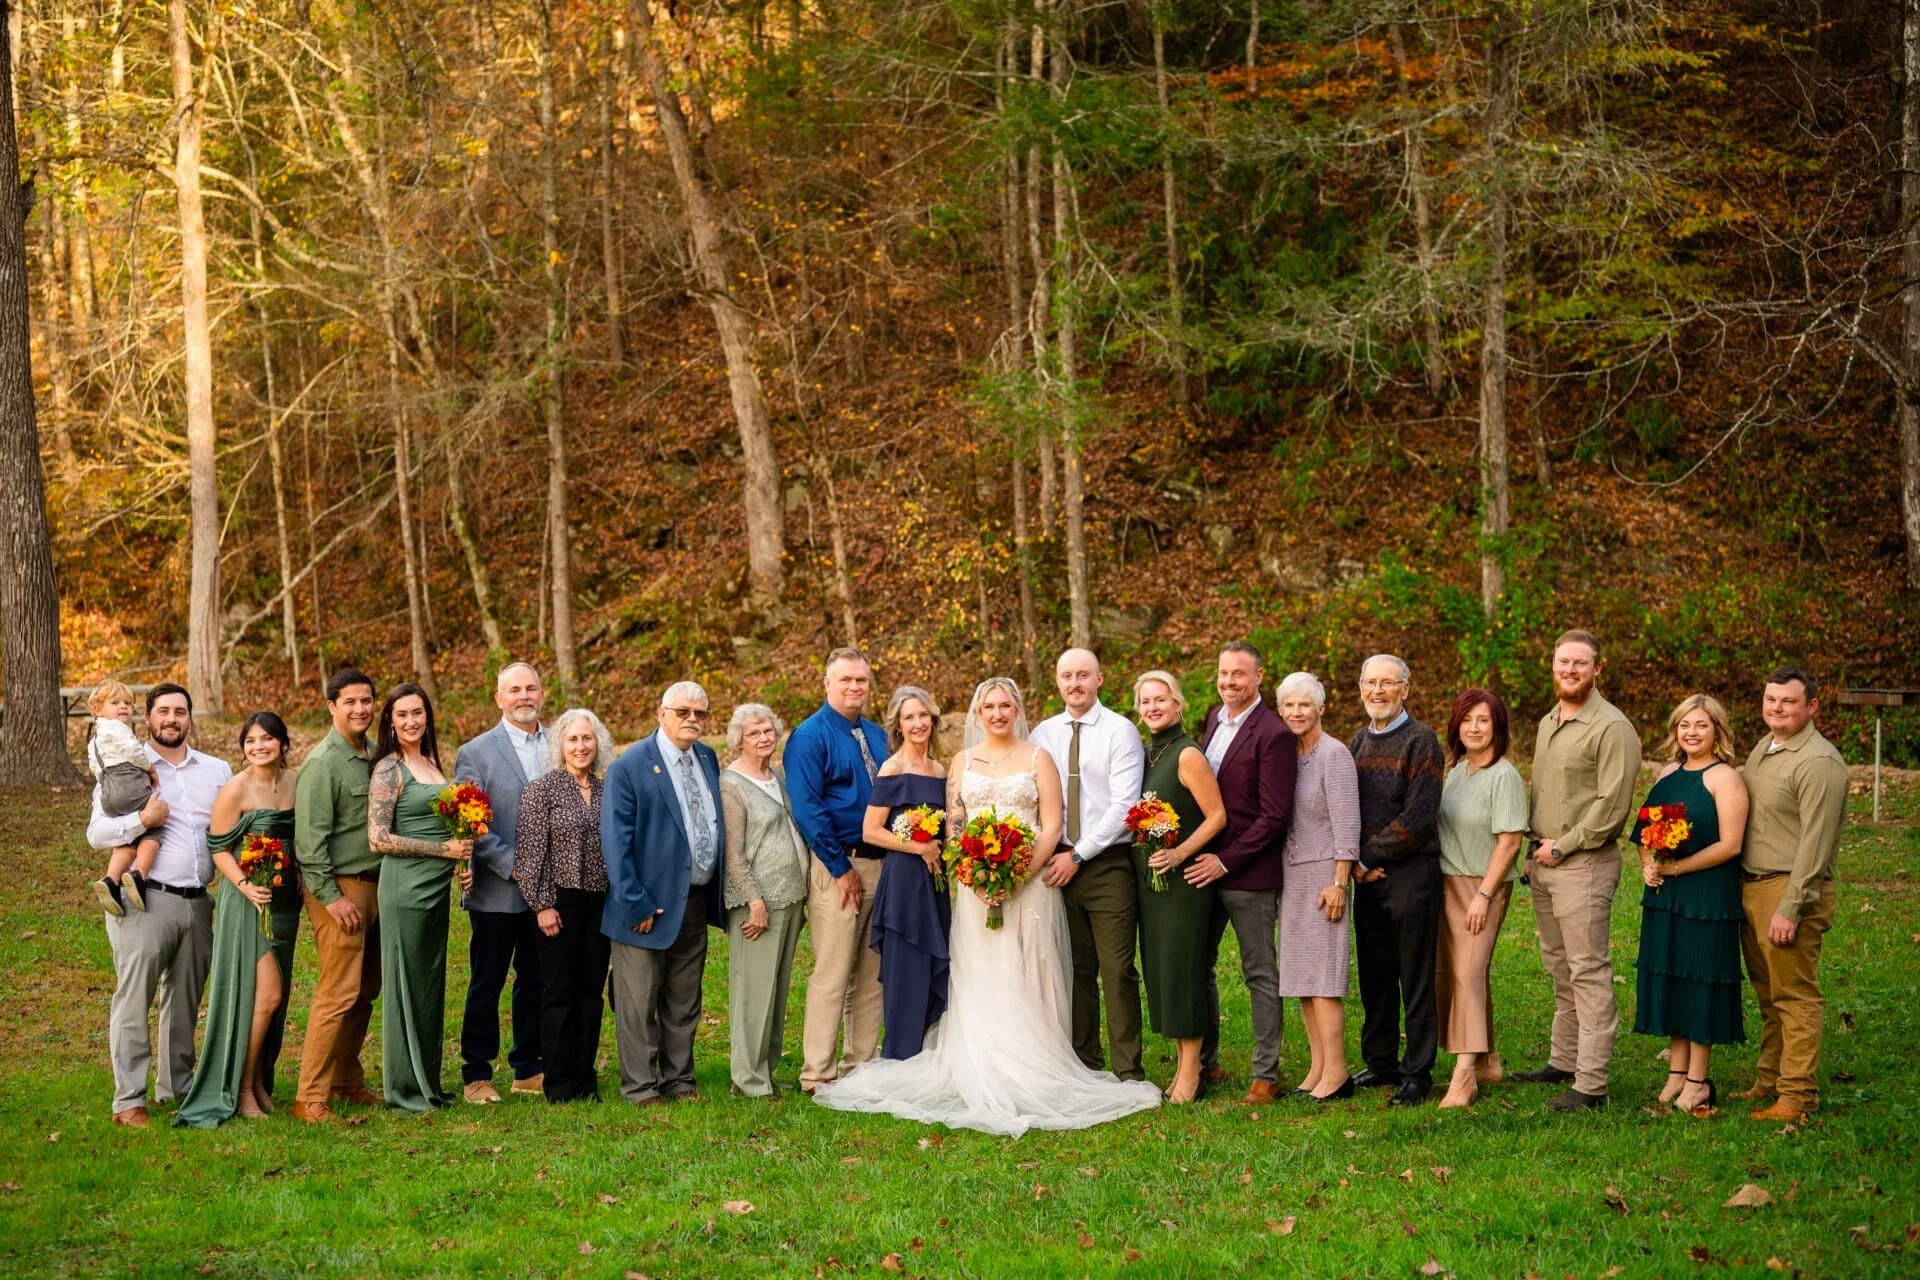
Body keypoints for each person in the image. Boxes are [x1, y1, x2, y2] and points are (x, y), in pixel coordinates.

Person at [813, 678, 1162, 1136]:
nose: (997, 714)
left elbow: (1052, 826)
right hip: (976, 891)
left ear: (1018, 709)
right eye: (989, 706)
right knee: (982, 974)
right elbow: (955, 826)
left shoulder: (1038, 759)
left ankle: (1037, 1062)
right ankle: (982, 1062)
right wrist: (975, 878)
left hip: (1030, 886)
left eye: (1005, 705)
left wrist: (1016, 876)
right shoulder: (961, 762)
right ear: (977, 713)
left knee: (1027, 971)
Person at [88, 683, 228, 1127]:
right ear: (147, 719)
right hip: (144, 901)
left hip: (198, 902)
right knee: (134, 1000)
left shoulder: (216, 771)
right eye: (163, 711)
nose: (172, 719)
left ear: (190, 719)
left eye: (180, 712)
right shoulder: (126, 765)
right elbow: (97, 834)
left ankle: (177, 1088)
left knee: (184, 1001)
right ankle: (129, 1100)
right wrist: (142, 821)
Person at [1518, 630, 1642, 1112]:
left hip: (1583, 862)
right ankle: (1564, 1059)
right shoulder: (1550, 720)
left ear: (1598, 670)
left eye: (1580, 664)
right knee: (1559, 965)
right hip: (1545, 860)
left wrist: (1563, 846)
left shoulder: (1612, 728)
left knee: (1587, 969)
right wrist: (1533, 849)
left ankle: (1591, 1084)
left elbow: (1613, 806)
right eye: (1562, 662)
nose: (1569, 670)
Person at [601, 681, 727, 1105]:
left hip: (692, 899)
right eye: (683, 712)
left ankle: (679, 1080)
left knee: (684, 997)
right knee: (637, 1003)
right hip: (643, 906)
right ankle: (640, 1086)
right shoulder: (630, 766)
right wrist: (635, 901)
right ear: (661, 713)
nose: (692, 719)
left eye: (700, 713)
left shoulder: (707, 758)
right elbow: (617, 845)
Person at [176, 713, 301, 1127]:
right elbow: (218, 848)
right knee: (265, 996)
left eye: (267, 739)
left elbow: (300, 837)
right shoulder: (236, 789)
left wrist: (299, 874)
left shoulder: (295, 782)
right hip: (246, 900)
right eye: (250, 740)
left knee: (272, 1002)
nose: (259, 746)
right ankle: (241, 1088)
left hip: (283, 902)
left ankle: (261, 1080)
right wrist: (247, 886)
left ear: (283, 743)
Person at [1031, 649, 1149, 1081]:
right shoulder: (1043, 734)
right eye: (1067, 676)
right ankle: (1084, 1062)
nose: (1075, 683)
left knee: (1117, 969)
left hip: (1105, 865)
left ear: (1100, 678)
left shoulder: (1120, 732)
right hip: (1054, 865)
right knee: (1074, 968)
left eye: (1083, 675)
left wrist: (1079, 855)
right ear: (1058, 682)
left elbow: (1124, 806)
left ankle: (1128, 1069)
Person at [1738, 667, 1848, 1124]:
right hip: (1753, 885)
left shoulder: (1818, 763)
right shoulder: (1764, 749)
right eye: (1771, 699)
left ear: (1812, 707)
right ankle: (1770, 1080)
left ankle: (1797, 1097)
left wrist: (1791, 907)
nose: (1777, 708)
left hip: (1790, 888)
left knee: (1794, 995)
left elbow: (1816, 846)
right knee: (1768, 994)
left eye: (1787, 701)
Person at [1631, 694, 1749, 1117]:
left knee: (1699, 980)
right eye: (1684, 725)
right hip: (1665, 898)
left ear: (1717, 730)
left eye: (1701, 725)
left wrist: (1677, 868)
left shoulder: (1725, 779)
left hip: (1706, 897)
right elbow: (1645, 831)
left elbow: (1730, 845)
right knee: (1673, 979)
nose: (1691, 732)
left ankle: (1698, 1082)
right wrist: (1649, 865)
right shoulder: (1667, 774)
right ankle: (1675, 1074)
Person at [1191, 642, 1296, 1103]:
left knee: (1259, 971)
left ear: (1258, 677)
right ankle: (1206, 1061)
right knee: (1201, 967)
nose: (1229, 681)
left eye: (1239, 674)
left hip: (1247, 874)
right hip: (1201, 869)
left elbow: (1274, 816)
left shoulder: (1272, 733)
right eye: (1223, 673)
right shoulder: (1214, 719)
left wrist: (1227, 859)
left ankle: (1265, 1073)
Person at [787, 648, 891, 1093]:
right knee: (832, 972)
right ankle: (818, 1072)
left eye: (861, 681)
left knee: (871, 973)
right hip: (838, 865)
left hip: (883, 865)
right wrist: (837, 867)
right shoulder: (809, 737)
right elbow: (808, 809)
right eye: (845, 680)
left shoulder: (877, 735)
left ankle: (860, 1065)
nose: (854, 688)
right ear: (826, 683)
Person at [369, 683, 474, 1113]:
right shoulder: (389, 770)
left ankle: (427, 1081)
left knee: (429, 983)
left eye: (417, 713)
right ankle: (404, 1087)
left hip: (435, 890)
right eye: (402, 715)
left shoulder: (430, 762)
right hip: (404, 888)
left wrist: (458, 860)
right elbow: (378, 838)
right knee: (405, 983)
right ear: (390, 723)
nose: (411, 721)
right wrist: (441, 850)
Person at [1347, 654, 1446, 1108]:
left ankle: (1417, 1072)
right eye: (1371, 683)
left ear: (1406, 688)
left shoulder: (1421, 741)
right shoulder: (1357, 742)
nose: (1378, 691)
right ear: (1361, 687)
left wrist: (1366, 856)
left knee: (1415, 973)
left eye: (1388, 683)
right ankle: (1381, 1060)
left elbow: (1420, 817)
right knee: (1376, 972)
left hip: (1410, 872)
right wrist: (1355, 863)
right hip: (1366, 877)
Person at [452, 662, 548, 1105]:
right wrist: (515, 865)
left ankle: (528, 1068)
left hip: (549, 891)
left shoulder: (558, 743)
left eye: (531, 688)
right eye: (515, 690)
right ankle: (477, 1072)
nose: (524, 696)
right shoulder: (476, 752)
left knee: (536, 979)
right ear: (499, 699)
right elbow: (471, 824)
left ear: (541, 694)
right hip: (497, 890)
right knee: (487, 982)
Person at [1129, 671, 1226, 1104]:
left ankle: (1192, 1072)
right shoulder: (1147, 754)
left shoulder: (1187, 755)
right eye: (1146, 701)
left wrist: (1179, 853)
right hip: (1152, 887)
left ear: (1178, 705)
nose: (1153, 707)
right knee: (1162, 971)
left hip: (1183, 883)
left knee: (1183, 971)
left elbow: (1217, 816)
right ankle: (1184, 1062)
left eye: (1160, 700)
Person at [293, 667, 382, 1124]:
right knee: (338, 991)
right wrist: (331, 897)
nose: (360, 709)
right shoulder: (322, 762)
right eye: (350, 701)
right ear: (331, 706)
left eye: (366, 700)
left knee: (366, 989)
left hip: (377, 886)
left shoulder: (373, 755)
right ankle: (310, 1095)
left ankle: (347, 1080)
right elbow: (309, 842)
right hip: (340, 888)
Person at [1434, 689, 1528, 1109]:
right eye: (1467, 719)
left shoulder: (1504, 776)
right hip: (1447, 882)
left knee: (1468, 974)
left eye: (1483, 720)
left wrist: (1484, 895)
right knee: (1459, 972)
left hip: (1481, 886)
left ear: (1498, 728)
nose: (1474, 727)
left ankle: (1464, 1074)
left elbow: (1509, 843)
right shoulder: (1457, 771)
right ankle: (1488, 1059)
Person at [517, 708, 616, 1103]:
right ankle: (558, 1083)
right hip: (557, 902)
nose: (581, 746)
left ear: (598, 743)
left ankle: (584, 1077)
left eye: (587, 739)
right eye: (573, 739)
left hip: (599, 903)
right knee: (559, 993)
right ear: (561, 744)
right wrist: (541, 904)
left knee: (591, 992)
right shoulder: (542, 790)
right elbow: (529, 855)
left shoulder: (608, 789)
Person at [1273, 672, 1359, 1102]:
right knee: (1303, 980)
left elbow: (1348, 824)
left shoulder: (1334, 755)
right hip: (1294, 876)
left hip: (1325, 874)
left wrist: (1339, 882)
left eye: (1304, 704)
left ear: (1321, 708)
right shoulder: (1289, 756)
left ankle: (1338, 1073)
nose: (1295, 712)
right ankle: (1317, 1066)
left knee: (1325, 980)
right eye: (1288, 705)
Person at [719, 704, 811, 1097]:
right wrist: (753, 899)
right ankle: (748, 1078)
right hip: (758, 902)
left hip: (790, 896)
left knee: (776, 988)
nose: (764, 738)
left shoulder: (777, 776)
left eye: (769, 731)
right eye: (754, 733)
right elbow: (733, 853)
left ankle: (767, 1069)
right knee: (753, 991)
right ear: (738, 739)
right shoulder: (731, 785)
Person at [861, 687, 953, 1061]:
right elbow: (870, 830)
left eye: (923, 716)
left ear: (933, 719)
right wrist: (920, 847)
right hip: (903, 881)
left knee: (934, 964)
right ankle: (899, 1054)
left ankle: (927, 1051)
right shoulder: (892, 769)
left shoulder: (940, 770)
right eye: (909, 718)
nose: (918, 723)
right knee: (906, 966)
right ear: (898, 726)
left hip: (935, 881)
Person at [85, 680, 162, 917]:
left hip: (109, 790)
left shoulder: (96, 738)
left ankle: (111, 880)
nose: (124, 708)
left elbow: (95, 767)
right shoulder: (116, 728)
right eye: (115, 702)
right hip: (128, 784)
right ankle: (139, 875)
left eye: (128, 703)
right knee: (154, 827)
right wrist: (149, 768)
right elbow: (132, 750)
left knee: (129, 837)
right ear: (97, 709)